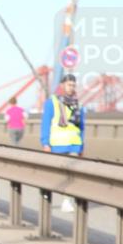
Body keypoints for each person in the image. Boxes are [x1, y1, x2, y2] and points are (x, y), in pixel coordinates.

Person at [41, 73, 85, 212]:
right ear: (62, 85)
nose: (71, 87)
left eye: (73, 85)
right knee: (58, 173)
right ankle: (47, 192)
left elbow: (81, 126)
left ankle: (67, 201)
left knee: (71, 174)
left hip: (74, 144)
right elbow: (46, 123)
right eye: (69, 85)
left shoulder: (78, 103)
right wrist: (45, 143)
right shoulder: (52, 102)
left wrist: (82, 145)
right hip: (57, 144)